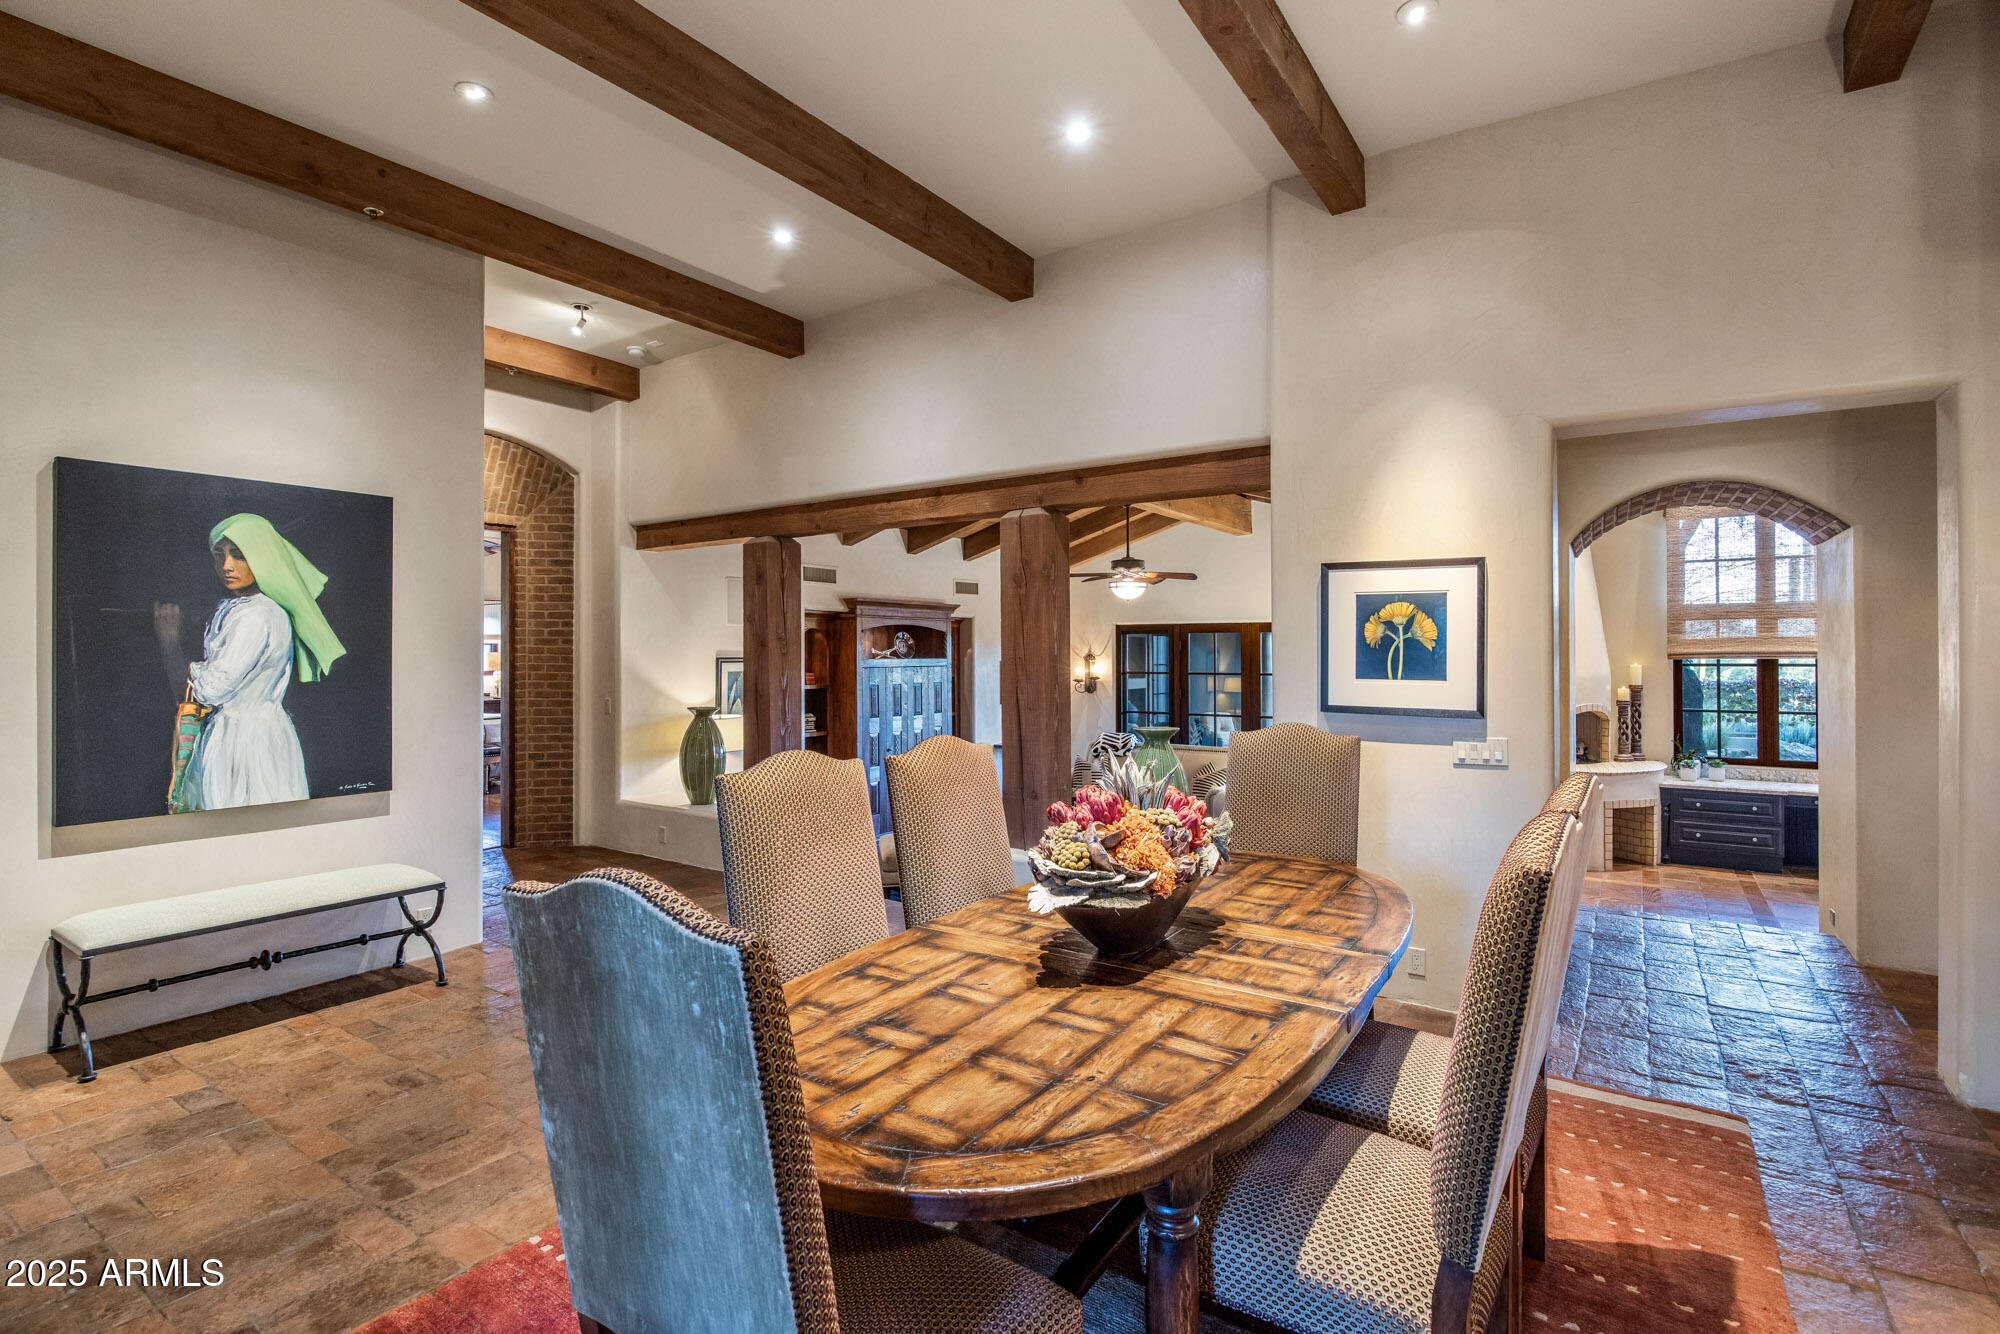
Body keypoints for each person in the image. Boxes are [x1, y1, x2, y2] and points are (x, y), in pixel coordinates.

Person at [154, 513, 346, 810]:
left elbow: (212, 689)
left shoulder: (258, 616)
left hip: (246, 745)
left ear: (261, 556)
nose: (226, 566)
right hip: (248, 737)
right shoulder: (238, 609)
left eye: (239, 556)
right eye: (219, 556)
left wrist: (168, 641)